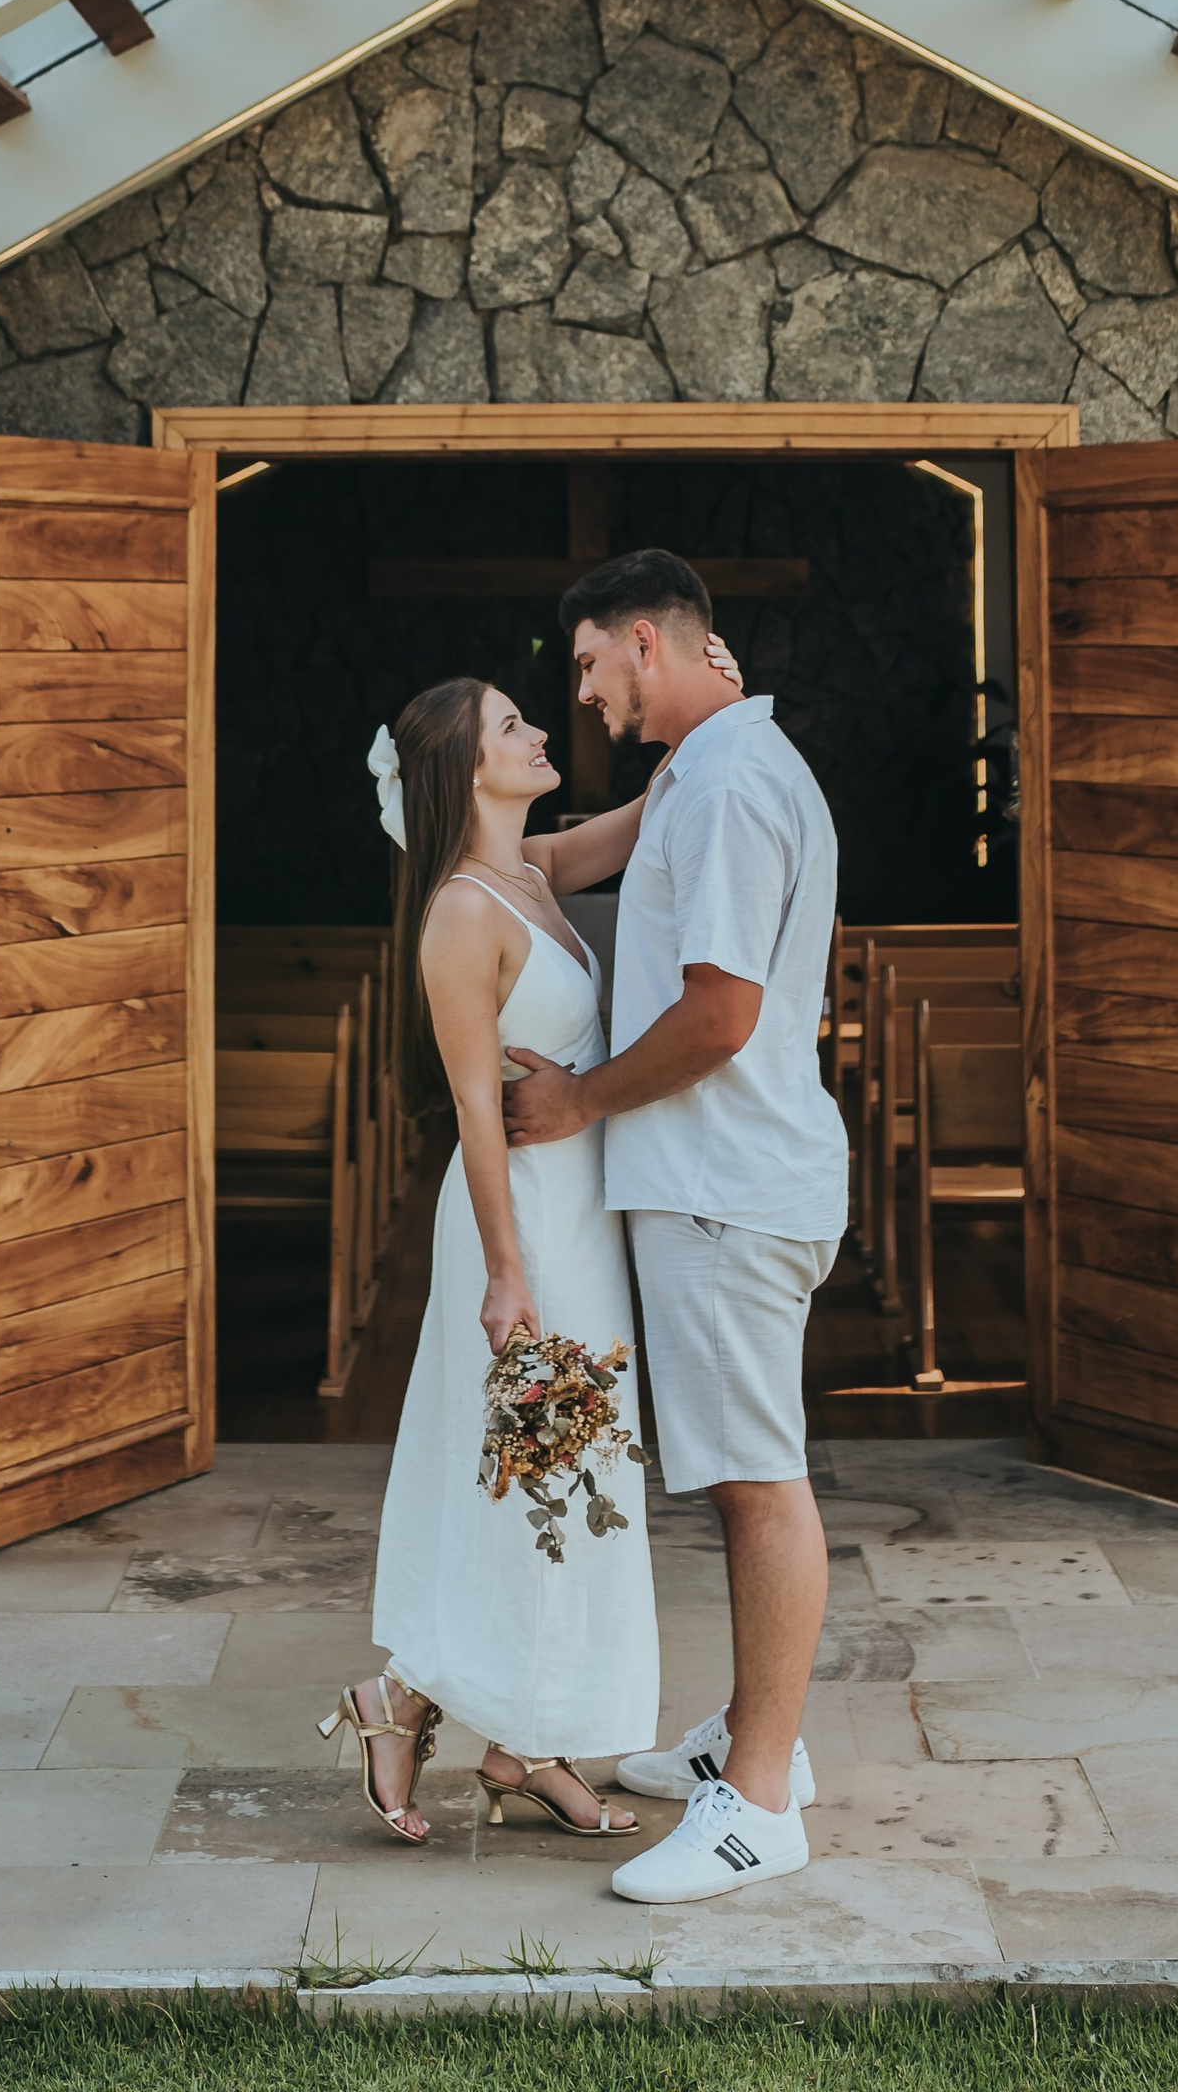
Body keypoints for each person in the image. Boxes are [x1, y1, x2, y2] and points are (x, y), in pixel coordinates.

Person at [505, 548, 849, 1909]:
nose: (585, 697)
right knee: (738, 1475)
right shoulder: (709, 769)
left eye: (592, 666)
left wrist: (577, 1099)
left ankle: (757, 1805)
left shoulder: (726, 788)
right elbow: (557, 855)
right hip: (728, 1179)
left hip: (724, 1185)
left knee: (757, 1484)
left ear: (646, 641)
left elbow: (719, 1017)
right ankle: (754, 1737)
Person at [327, 678, 660, 1843]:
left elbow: (652, 814)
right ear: (466, 769)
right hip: (525, 1229)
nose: (538, 733)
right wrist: (507, 1274)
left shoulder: (534, 871)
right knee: (540, 1478)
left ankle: (522, 1741)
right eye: (512, 726)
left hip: (580, 1219)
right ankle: (411, 1697)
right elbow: (475, 1109)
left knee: (572, 1474)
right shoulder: (462, 914)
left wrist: (710, 713)